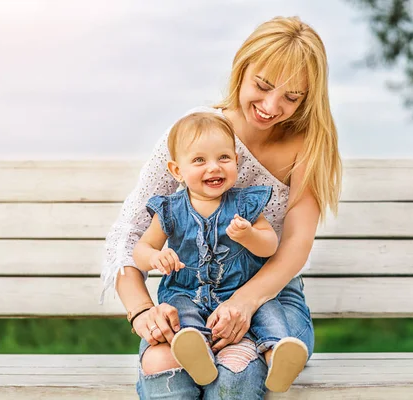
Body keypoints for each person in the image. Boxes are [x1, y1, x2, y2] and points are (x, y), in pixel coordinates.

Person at [101, 15, 342, 399]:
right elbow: (127, 236)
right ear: (241, 69)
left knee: (234, 372)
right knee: (163, 366)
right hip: (191, 294)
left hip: (269, 298)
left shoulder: (307, 148)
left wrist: (243, 303)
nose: (270, 106)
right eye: (261, 86)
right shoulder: (195, 134)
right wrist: (143, 310)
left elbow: (296, 246)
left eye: (291, 97)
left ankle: (260, 351)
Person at [132, 111, 309, 392]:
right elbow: (141, 249)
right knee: (181, 313)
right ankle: (196, 347)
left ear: (236, 161)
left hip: (240, 291)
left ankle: (278, 354)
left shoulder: (245, 204)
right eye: (199, 160)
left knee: (268, 310)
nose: (214, 167)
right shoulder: (170, 209)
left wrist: (250, 235)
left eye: (223, 158)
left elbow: (270, 245)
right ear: (177, 171)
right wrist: (154, 257)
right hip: (188, 291)